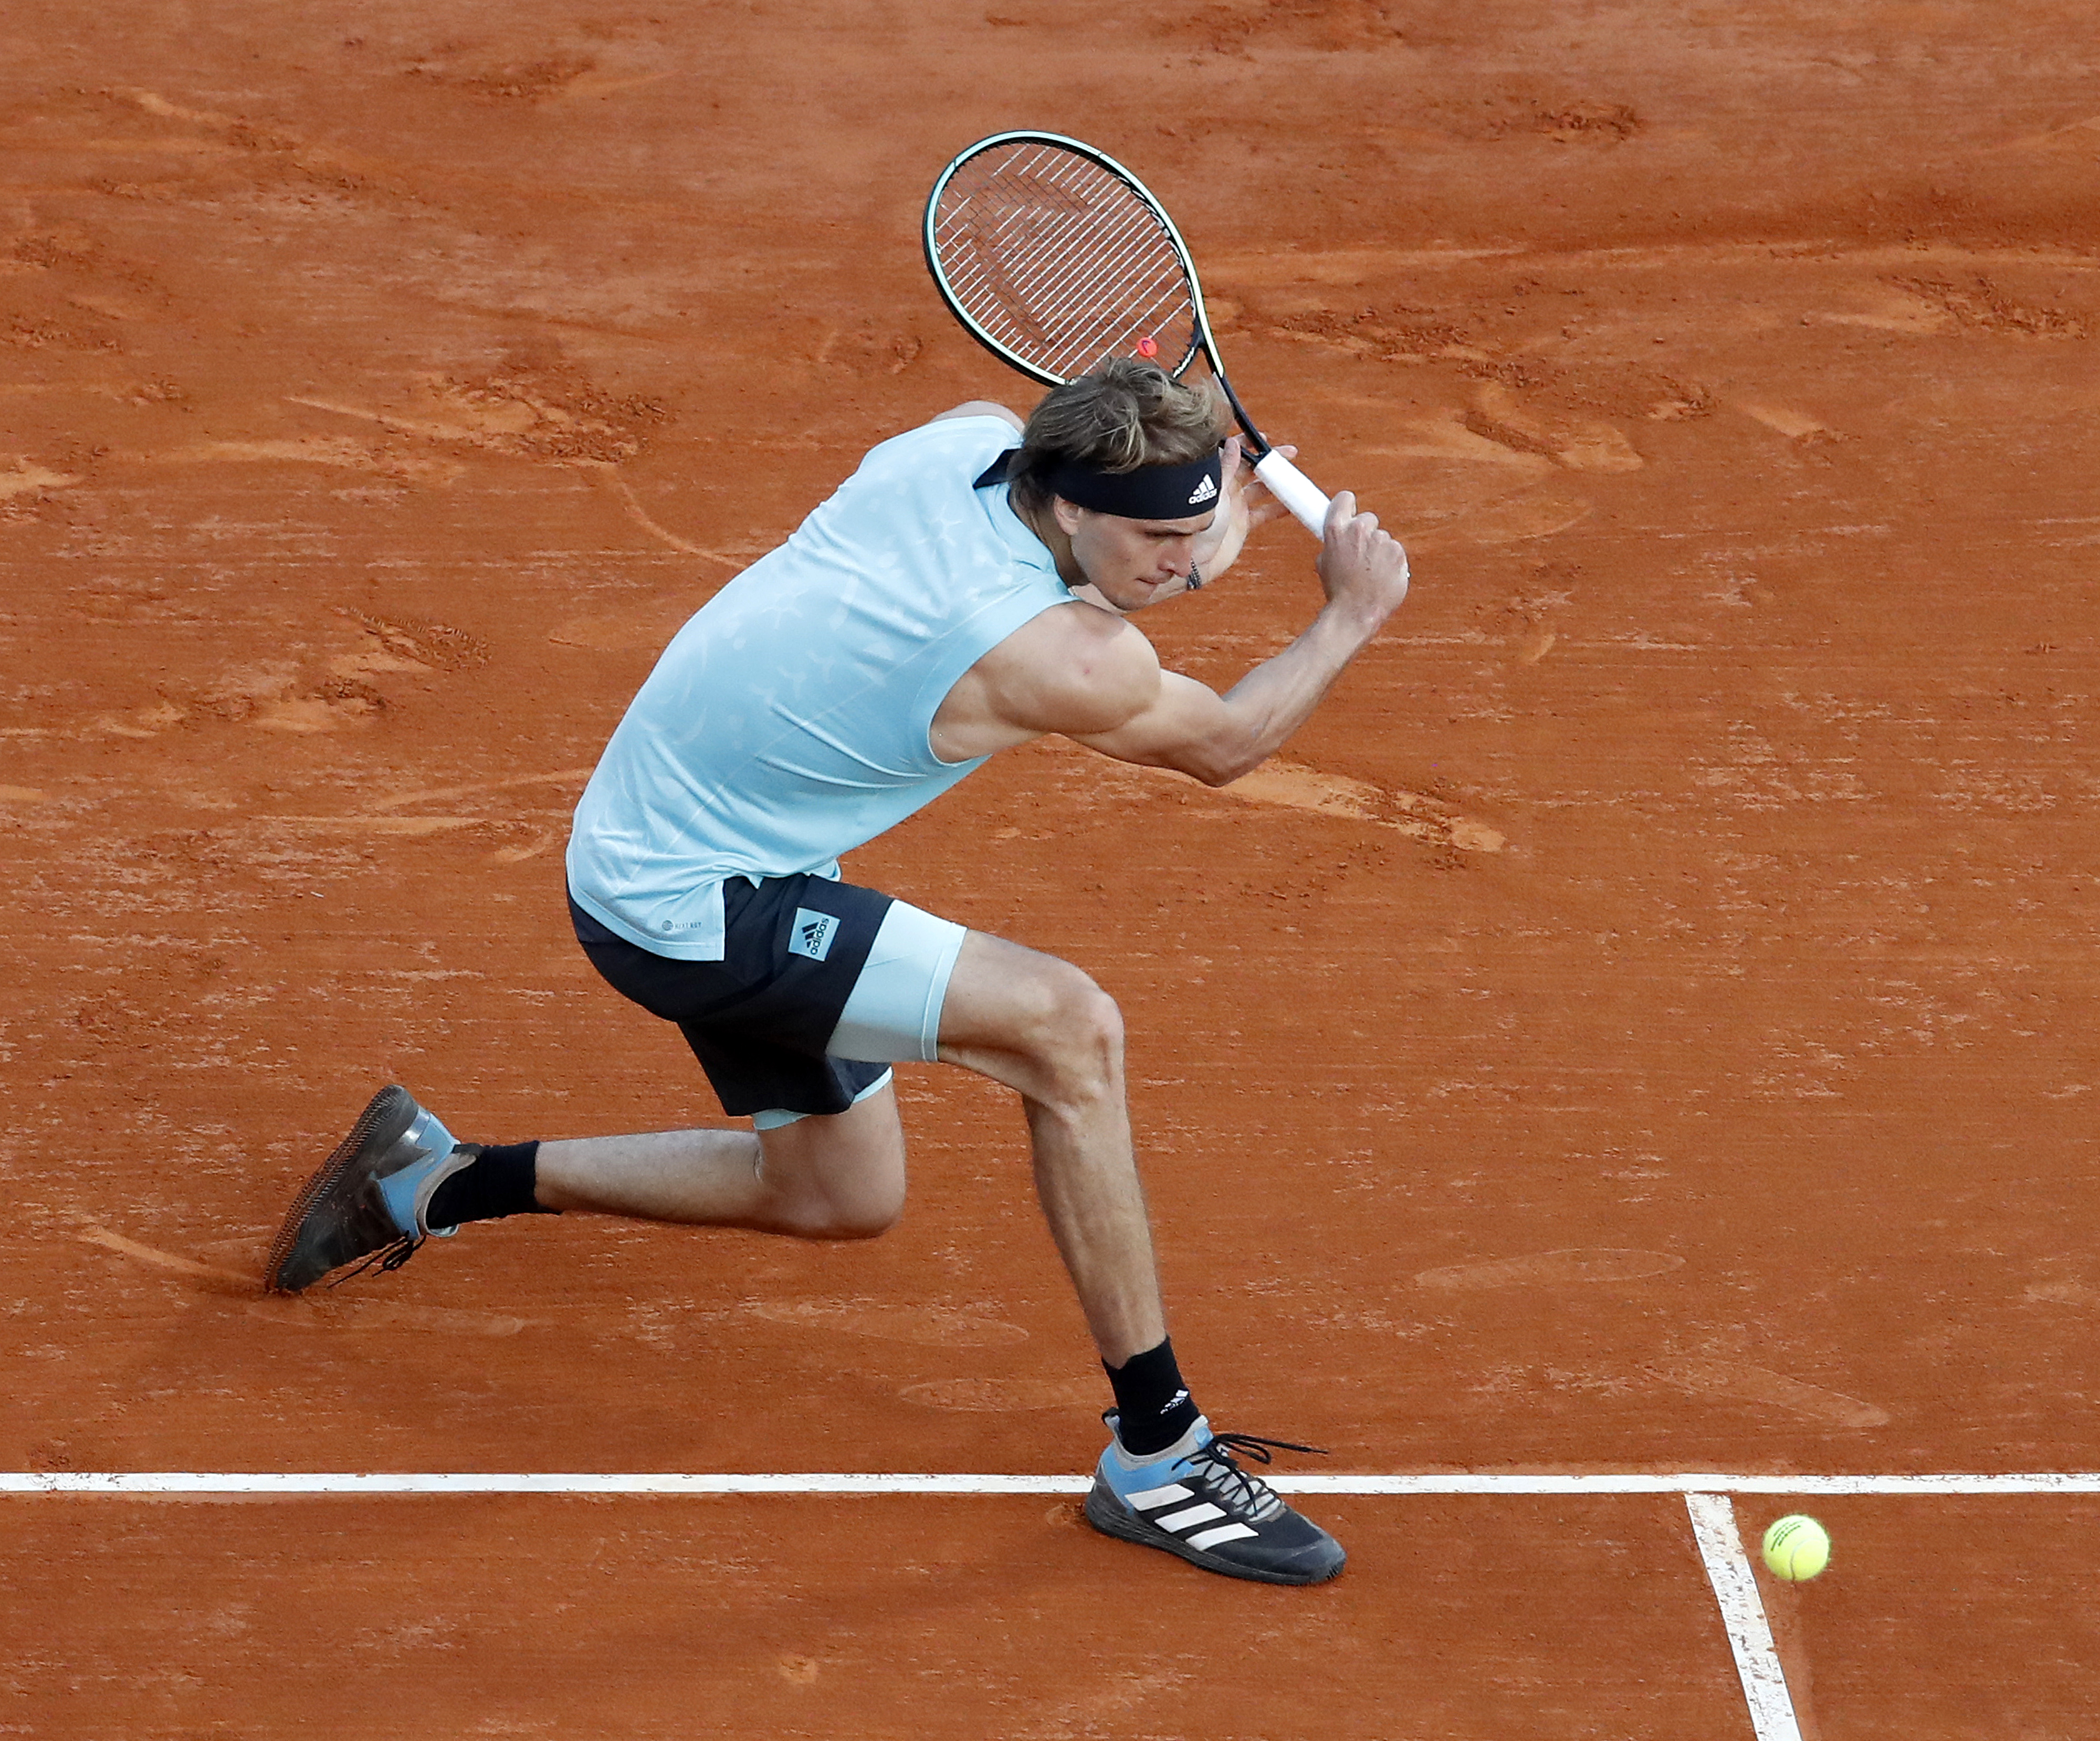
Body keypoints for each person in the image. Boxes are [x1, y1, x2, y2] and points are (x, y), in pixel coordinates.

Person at [261, 359, 1410, 1586]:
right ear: (1070, 506)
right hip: (695, 902)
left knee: (835, 1197)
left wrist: (1191, 530)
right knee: (1069, 1030)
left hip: (664, 833)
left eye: (1192, 533)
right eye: (1156, 539)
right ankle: (1159, 1447)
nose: (1181, 566)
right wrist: (1347, 609)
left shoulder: (959, 444)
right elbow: (1227, 740)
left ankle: (426, 1180)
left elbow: (1106, 566)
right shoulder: (1062, 658)